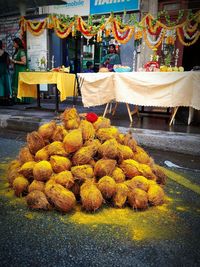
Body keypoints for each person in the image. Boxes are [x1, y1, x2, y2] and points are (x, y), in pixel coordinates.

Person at [10, 37, 28, 103]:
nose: (13, 44)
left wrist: (14, 61)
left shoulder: (22, 51)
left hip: (21, 70)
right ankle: (17, 99)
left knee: (20, 84)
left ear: (17, 43)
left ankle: (22, 100)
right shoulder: (17, 51)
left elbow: (24, 62)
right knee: (16, 84)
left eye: (14, 43)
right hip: (17, 69)